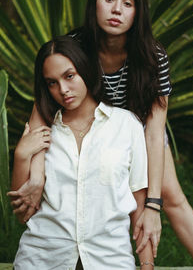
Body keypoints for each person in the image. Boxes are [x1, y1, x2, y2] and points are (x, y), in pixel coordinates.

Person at [8, 0, 193, 265]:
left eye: (127, 3)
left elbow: (154, 128)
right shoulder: (75, 44)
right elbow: (41, 116)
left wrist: (153, 203)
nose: (116, 10)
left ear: (138, 12)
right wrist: (36, 176)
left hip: (140, 128)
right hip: (85, 124)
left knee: (171, 198)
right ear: (94, 3)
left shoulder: (153, 55)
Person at [12, 35, 154, 270]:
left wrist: (147, 265)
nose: (63, 90)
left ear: (85, 70)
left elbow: (138, 209)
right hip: (42, 260)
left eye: (69, 76)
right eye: (52, 82)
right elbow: (22, 214)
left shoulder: (126, 126)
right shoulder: (42, 132)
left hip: (109, 261)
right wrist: (21, 155)